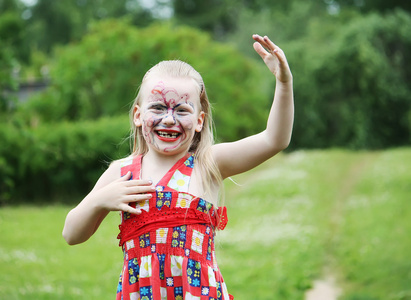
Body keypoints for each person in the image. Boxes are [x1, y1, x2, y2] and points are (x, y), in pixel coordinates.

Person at [62, 34, 294, 300]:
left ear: (199, 120)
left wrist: (284, 83)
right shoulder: (122, 172)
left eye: (182, 110)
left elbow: (274, 140)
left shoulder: (208, 165)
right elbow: (71, 234)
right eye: (158, 107)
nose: (169, 119)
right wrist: (100, 200)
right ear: (139, 115)